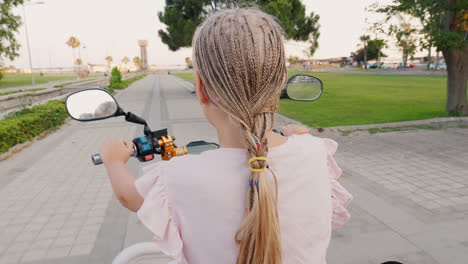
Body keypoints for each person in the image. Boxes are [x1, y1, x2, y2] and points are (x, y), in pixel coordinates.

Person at [99, 8, 352, 264]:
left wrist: (113, 160)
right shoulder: (316, 153)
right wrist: (300, 134)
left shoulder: (177, 177)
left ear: (201, 88)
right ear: (280, 84)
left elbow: (128, 196)